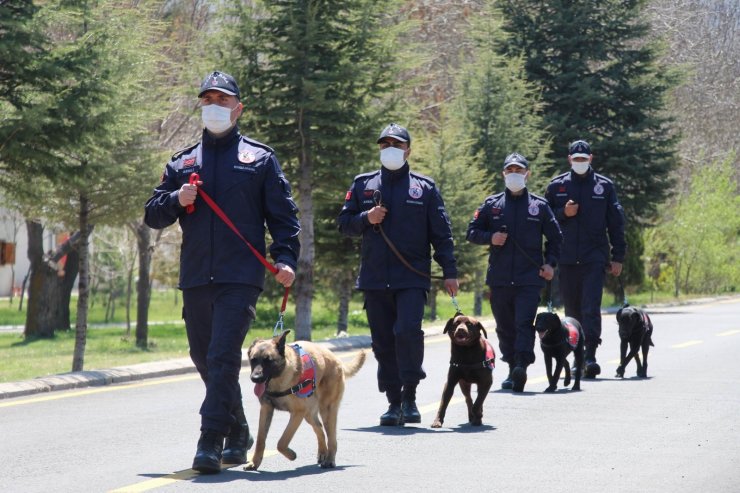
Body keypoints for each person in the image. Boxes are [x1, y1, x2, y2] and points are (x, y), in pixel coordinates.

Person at [144, 71, 300, 473]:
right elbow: (152, 214)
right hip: (196, 275)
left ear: (238, 108)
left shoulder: (260, 159)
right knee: (203, 356)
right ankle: (240, 430)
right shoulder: (182, 162)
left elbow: (284, 218)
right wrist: (177, 198)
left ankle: (210, 439)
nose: (215, 105)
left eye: (223, 99)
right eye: (208, 98)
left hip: (240, 276)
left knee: (223, 355)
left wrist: (285, 259)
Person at [338, 123, 459, 426]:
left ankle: (410, 397)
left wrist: (450, 272)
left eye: (396, 143)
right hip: (375, 278)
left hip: (411, 277)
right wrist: (367, 217)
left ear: (408, 149)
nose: (390, 148)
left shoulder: (425, 188)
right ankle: (393, 402)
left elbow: (441, 235)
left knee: (407, 332)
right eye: (384, 143)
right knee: (382, 342)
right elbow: (344, 224)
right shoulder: (363, 184)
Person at [467, 153, 562, 392]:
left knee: (523, 323)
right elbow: (472, 232)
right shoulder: (492, 204)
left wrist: (550, 264)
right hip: (499, 278)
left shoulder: (539, 206)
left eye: (519, 171)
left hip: (529, 278)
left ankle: (521, 365)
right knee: (504, 326)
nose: (514, 174)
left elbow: (556, 238)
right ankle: (511, 366)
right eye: (510, 170)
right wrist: (491, 237)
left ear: (527, 174)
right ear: (503, 174)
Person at [545, 139, 626, 378]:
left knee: (591, 308)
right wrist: (563, 213)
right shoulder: (556, 186)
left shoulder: (604, 186)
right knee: (572, 311)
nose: (580, 162)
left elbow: (616, 224)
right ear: (570, 159)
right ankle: (577, 356)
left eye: (584, 158)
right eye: (576, 158)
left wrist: (617, 257)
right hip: (567, 258)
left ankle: (590, 356)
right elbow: (544, 221)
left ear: (590, 159)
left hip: (594, 257)